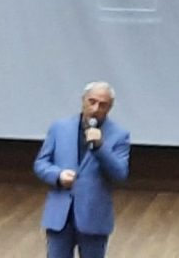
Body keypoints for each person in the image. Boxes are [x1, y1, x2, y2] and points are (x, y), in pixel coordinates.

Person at [34, 81, 130, 258]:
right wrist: (58, 175)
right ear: (83, 100)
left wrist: (100, 147)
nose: (95, 108)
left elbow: (120, 174)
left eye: (102, 105)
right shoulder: (59, 128)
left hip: (93, 217)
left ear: (110, 108)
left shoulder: (119, 135)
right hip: (60, 216)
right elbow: (41, 164)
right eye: (92, 102)